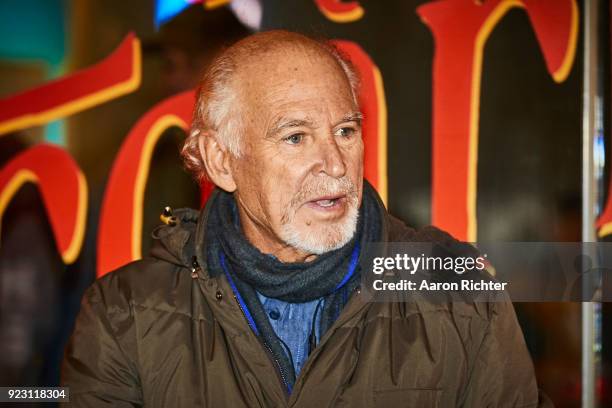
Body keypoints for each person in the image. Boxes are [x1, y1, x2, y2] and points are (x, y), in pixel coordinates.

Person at [61, 30, 549, 407]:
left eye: (345, 130)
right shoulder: (125, 312)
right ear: (221, 160)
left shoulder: (458, 292)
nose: (336, 164)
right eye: (296, 137)